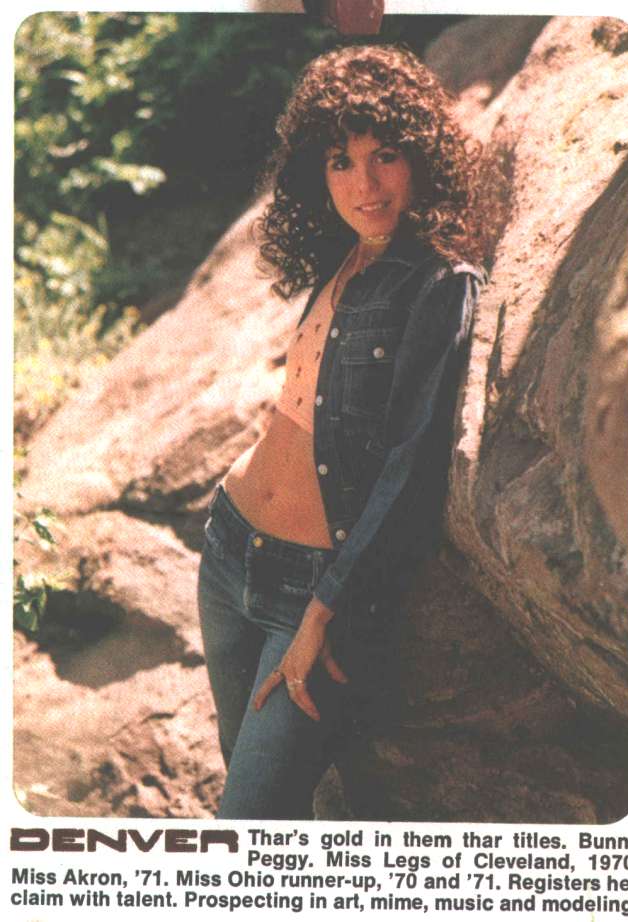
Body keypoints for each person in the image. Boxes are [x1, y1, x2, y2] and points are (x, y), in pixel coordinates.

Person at [197, 44, 492, 820]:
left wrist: (325, 611)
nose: (366, 184)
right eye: (341, 162)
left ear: (421, 156)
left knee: (249, 822)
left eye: (385, 155)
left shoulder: (440, 282)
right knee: (254, 805)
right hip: (228, 554)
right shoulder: (344, 257)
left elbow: (411, 469)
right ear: (317, 174)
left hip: (308, 595)